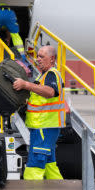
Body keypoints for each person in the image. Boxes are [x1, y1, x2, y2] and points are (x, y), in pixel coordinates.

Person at [13, 45, 65, 180]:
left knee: (36, 162)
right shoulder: (43, 76)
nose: (38, 59)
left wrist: (25, 85)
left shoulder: (51, 74)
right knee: (49, 163)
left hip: (44, 127)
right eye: (37, 56)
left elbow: (50, 92)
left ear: (52, 59)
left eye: (42, 57)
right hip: (44, 127)